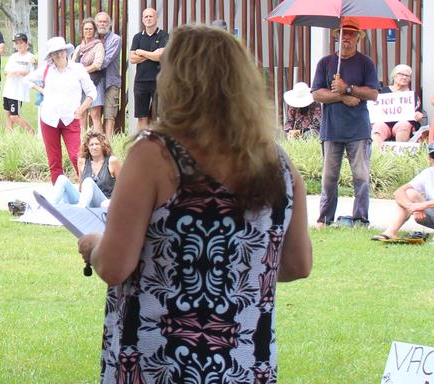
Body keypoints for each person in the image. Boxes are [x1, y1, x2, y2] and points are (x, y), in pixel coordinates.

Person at [77, 25, 312, 383]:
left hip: (161, 361)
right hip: (245, 363)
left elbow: (114, 265)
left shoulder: (154, 156)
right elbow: (297, 264)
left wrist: (94, 245)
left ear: (178, 82)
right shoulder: (278, 164)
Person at [312, 22, 381, 227]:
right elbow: (317, 94)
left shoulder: (366, 63)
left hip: (358, 129)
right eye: (343, 33)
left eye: (351, 34)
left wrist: (348, 88)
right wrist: (342, 97)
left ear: (358, 38)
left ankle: (361, 218)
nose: (346, 38)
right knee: (329, 178)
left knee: (361, 176)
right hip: (331, 129)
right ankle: (325, 218)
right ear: (336, 36)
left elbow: (373, 93)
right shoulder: (326, 63)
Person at [374, 140, 434, 243]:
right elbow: (398, 192)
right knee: (409, 193)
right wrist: (412, 207)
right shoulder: (428, 173)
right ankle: (390, 232)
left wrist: (423, 206)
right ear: (430, 158)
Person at [28, 36, 97, 185]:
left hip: (70, 118)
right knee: (54, 159)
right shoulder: (46, 70)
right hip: (49, 118)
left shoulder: (77, 69)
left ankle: (88, 188)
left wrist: (81, 109)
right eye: (55, 52)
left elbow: (92, 92)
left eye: (61, 51)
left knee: (76, 155)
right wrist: (41, 89)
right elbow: (26, 79)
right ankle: (59, 192)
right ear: (51, 55)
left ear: (66, 52)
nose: (59, 54)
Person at [128, 7, 168, 132]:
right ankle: (141, 145)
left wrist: (141, 52)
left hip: (158, 82)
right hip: (141, 82)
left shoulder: (164, 35)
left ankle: (159, 144)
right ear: (142, 20)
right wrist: (152, 54)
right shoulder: (137, 37)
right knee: (142, 117)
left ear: (156, 18)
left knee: (159, 117)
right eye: (146, 17)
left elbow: (161, 57)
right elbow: (132, 59)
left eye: (151, 16)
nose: (148, 19)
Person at [371, 63, 425, 145]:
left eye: (407, 76)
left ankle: (399, 156)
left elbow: (417, 111)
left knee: (403, 126)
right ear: (394, 76)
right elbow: (374, 109)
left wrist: (418, 115)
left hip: (402, 124)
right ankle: (376, 156)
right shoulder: (382, 92)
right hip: (384, 124)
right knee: (378, 127)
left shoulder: (411, 95)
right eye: (401, 74)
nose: (404, 77)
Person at [75, 18, 106, 136]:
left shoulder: (98, 46)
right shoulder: (79, 48)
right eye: (86, 29)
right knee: (81, 113)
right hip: (80, 84)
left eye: (90, 29)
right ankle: (82, 142)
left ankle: (100, 143)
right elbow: (72, 65)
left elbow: (97, 65)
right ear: (82, 31)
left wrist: (82, 71)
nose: (88, 31)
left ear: (94, 31)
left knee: (95, 114)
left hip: (95, 82)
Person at [95, 12, 123, 136]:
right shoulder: (92, 39)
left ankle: (108, 145)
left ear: (110, 23)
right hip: (95, 82)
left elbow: (105, 61)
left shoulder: (115, 39)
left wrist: (90, 66)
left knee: (109, 115)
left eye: (105, 21)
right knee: (95, 114)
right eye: (100, 21)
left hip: (111, 82)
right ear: (96, 23)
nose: (102, 24)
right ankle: (98, 144)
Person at [2, 33, 37, 133]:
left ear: (26, 44)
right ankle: (9, 136)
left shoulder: (31, 57)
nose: (19, 45)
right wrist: (11, 72)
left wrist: (21, 72)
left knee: (14, 116)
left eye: (21, 43)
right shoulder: (13, 56)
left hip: (18, 91)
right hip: (8, 89)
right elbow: (6, 71)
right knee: (8, 115)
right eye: (16, 43)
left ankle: (31, 132)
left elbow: (33, 73)